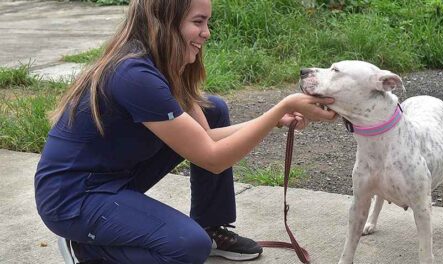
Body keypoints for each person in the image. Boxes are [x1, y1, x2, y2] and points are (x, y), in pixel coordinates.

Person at [34, 0, 336, 263]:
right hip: (73, 198)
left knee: (212, 109)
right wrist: (282, 108)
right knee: (187, 248)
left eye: (207, 22)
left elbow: (204, 139)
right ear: (165, 21)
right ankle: (87, 249)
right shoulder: (134, 75)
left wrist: (275, 119)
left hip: (112, 180)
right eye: (198, 22)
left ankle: (211, 225)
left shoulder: (164, 65)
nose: (207, 32)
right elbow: (213, 158)